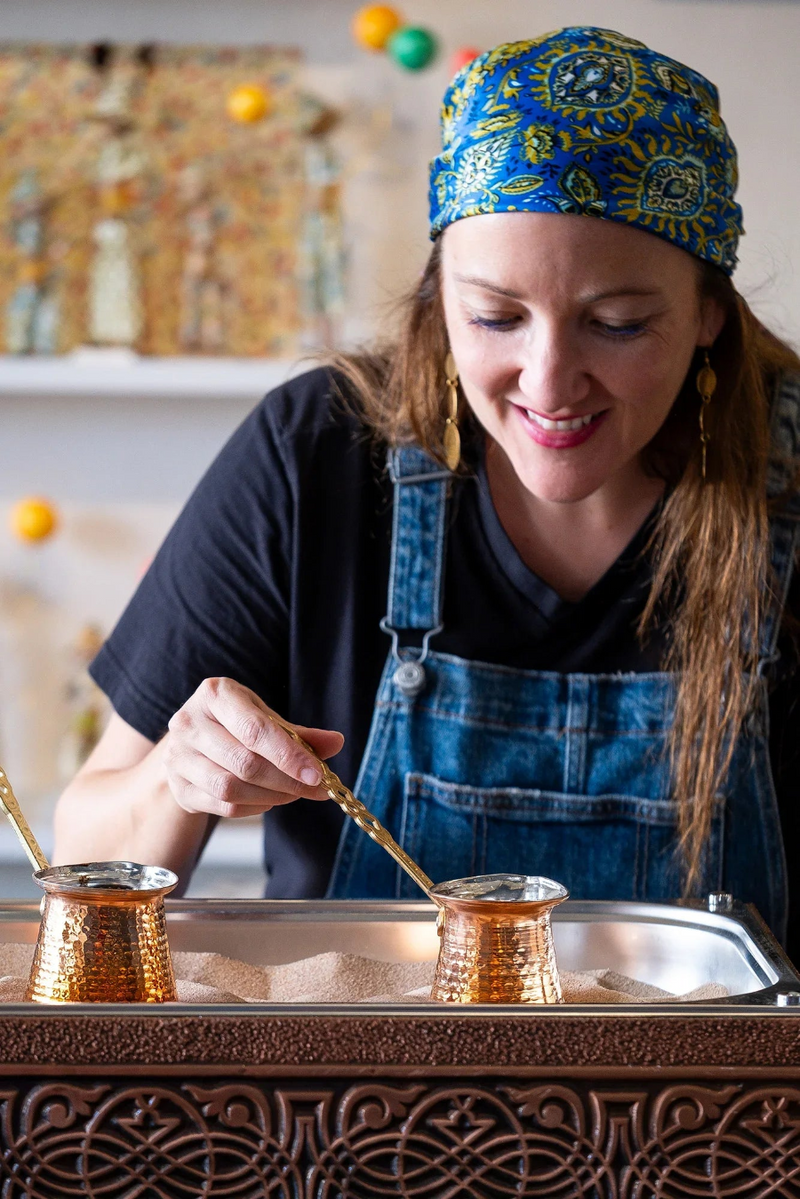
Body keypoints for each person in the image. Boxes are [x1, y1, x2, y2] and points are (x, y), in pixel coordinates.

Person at [54, 28, 800, 957]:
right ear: (437, 295)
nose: (549, 379)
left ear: (709, 317)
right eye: (495, 316)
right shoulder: (315, 453)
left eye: (617, 323)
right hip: (349, 1100)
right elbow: (84, 856)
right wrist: (180, 774)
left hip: (713, 1104)